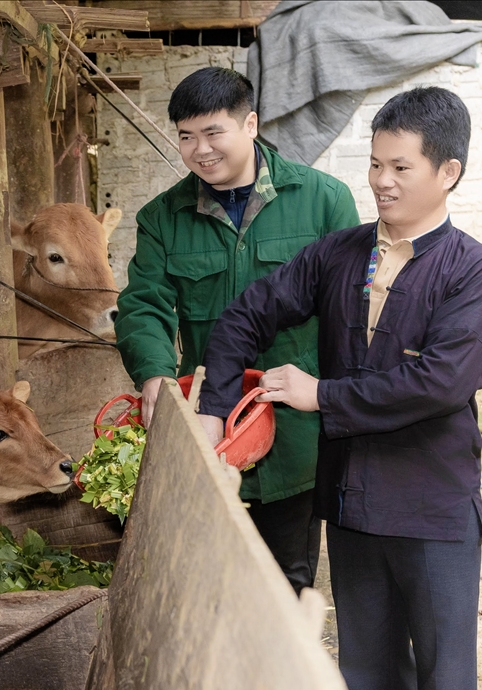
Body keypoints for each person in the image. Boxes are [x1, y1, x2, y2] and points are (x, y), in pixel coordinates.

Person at [197, 86, 482, 690]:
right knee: (368, 655)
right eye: (375, 164)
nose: (382, 181)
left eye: (401, 167)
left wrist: (322, 395)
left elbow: (441, 382)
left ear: (448, 172)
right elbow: (244, 316)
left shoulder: (472, 270)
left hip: (433, 500)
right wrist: (212, 409)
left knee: (442, 662)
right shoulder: (339, 254)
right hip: (354, 493)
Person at [115, 66, 360, 594]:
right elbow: (144, 304)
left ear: (250, 124)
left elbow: (351, 315)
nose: (200, 150)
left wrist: (338, 403)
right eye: (186, 136)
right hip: (208, 422)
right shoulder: (163, 218)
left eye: (213, 132)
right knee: (210, 582)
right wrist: (154, 373)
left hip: (295, 430)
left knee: (288, 580)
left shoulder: (324, 200)